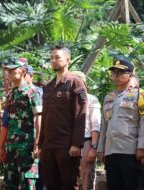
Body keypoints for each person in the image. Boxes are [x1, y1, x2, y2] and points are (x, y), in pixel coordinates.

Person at [97, 59, 144, 190]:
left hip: (130, 150)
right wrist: (100, 148)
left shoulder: (139, 93)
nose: (116, 75)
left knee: (132, 186)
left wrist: (142, 147)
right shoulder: (109, 97)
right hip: (111, 151)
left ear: (131, 75)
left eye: (121, 72)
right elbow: (104, 125)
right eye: (114, 72)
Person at [38, 45, 87, 190]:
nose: (53, 60)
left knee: (69, 184)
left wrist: (76, 144)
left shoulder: (75, 82)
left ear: (67, 59)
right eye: (51, 58)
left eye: (57, 57)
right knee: (51, 185)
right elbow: (45, 118)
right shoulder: (48, 86)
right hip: (48, 146)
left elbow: (81, 114)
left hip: (66, 146)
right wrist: (41, 145)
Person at [0, 57, 42, 189]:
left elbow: (38, 118)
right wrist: (1, 146)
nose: (9, 74)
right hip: (11, 148)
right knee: (10, 184)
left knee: (28, 184)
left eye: (13, 70)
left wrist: (37, 144)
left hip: (27, 147)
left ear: (23, 71)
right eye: (8, 71)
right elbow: (7, 122)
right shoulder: (11, 94)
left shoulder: (32, 93)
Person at [71, 71, 101, 190]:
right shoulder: (68, 100)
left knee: (86, 178)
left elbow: (96, 125)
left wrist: (93, 148)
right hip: (69, 144)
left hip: (86, 142)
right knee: (72, 180)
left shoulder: (91, 99)